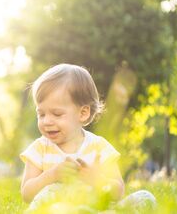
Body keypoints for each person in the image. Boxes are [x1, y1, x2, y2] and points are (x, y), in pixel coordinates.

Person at [20, 63, 155, 212]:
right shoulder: (39, 149)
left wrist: (98, 180)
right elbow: (26, 194)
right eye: (41, 114)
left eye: (57, 114)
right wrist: (52, 175)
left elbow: (119, 192)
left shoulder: (99, 147)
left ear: (83, 113)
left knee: (145, 197)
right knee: (52, 192)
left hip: (98, 208)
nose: (46, 121)